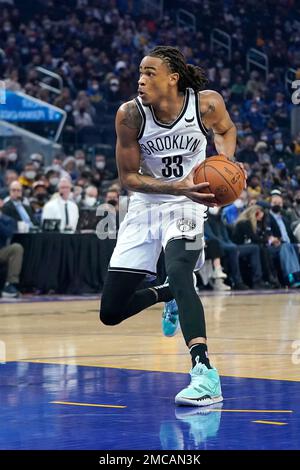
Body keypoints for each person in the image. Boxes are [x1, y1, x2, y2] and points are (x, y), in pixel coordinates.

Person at [99, 46, 242, 407]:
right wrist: (173, 185)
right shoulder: (130, 115)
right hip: (147, 203)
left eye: (149, 73)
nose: (140, 79)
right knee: (111, 313)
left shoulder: (206, 104)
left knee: (180, 268)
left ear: (172, 78)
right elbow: (129, 177)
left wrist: (224, 160)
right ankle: (169, 293)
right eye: (140, 72)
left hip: (190, 202)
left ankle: (205, 373)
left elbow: (226, 130)